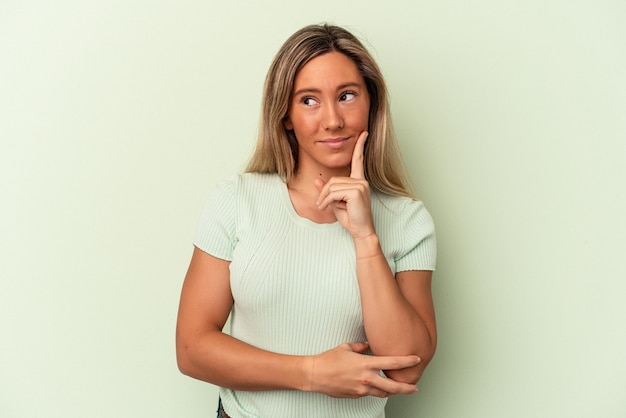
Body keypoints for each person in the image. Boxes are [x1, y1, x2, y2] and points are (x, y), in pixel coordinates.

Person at [176, 23, 437, 418]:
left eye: (347, 96)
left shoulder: (407, 220)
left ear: (372, 103)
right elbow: (192, 348)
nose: (332, 120)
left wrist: (366, 239)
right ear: (285, 116)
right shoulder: (237, 200)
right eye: (309, 101)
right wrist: (312, 373)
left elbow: (408, 365)